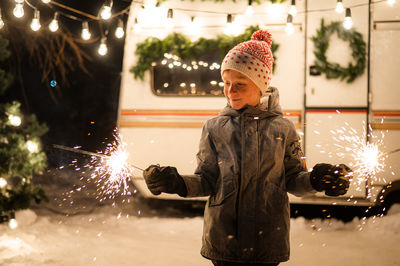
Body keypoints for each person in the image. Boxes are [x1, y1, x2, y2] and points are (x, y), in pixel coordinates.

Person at [143, 29, 352, 266]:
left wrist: (317, 180)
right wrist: (177, 183)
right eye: (226, 83)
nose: (230, 91)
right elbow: (207, 180)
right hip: (224, 244)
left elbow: (294, 179)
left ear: (260, 85)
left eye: (240, 84)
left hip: (267, 244)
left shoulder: (283, 129)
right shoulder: (214, 128)